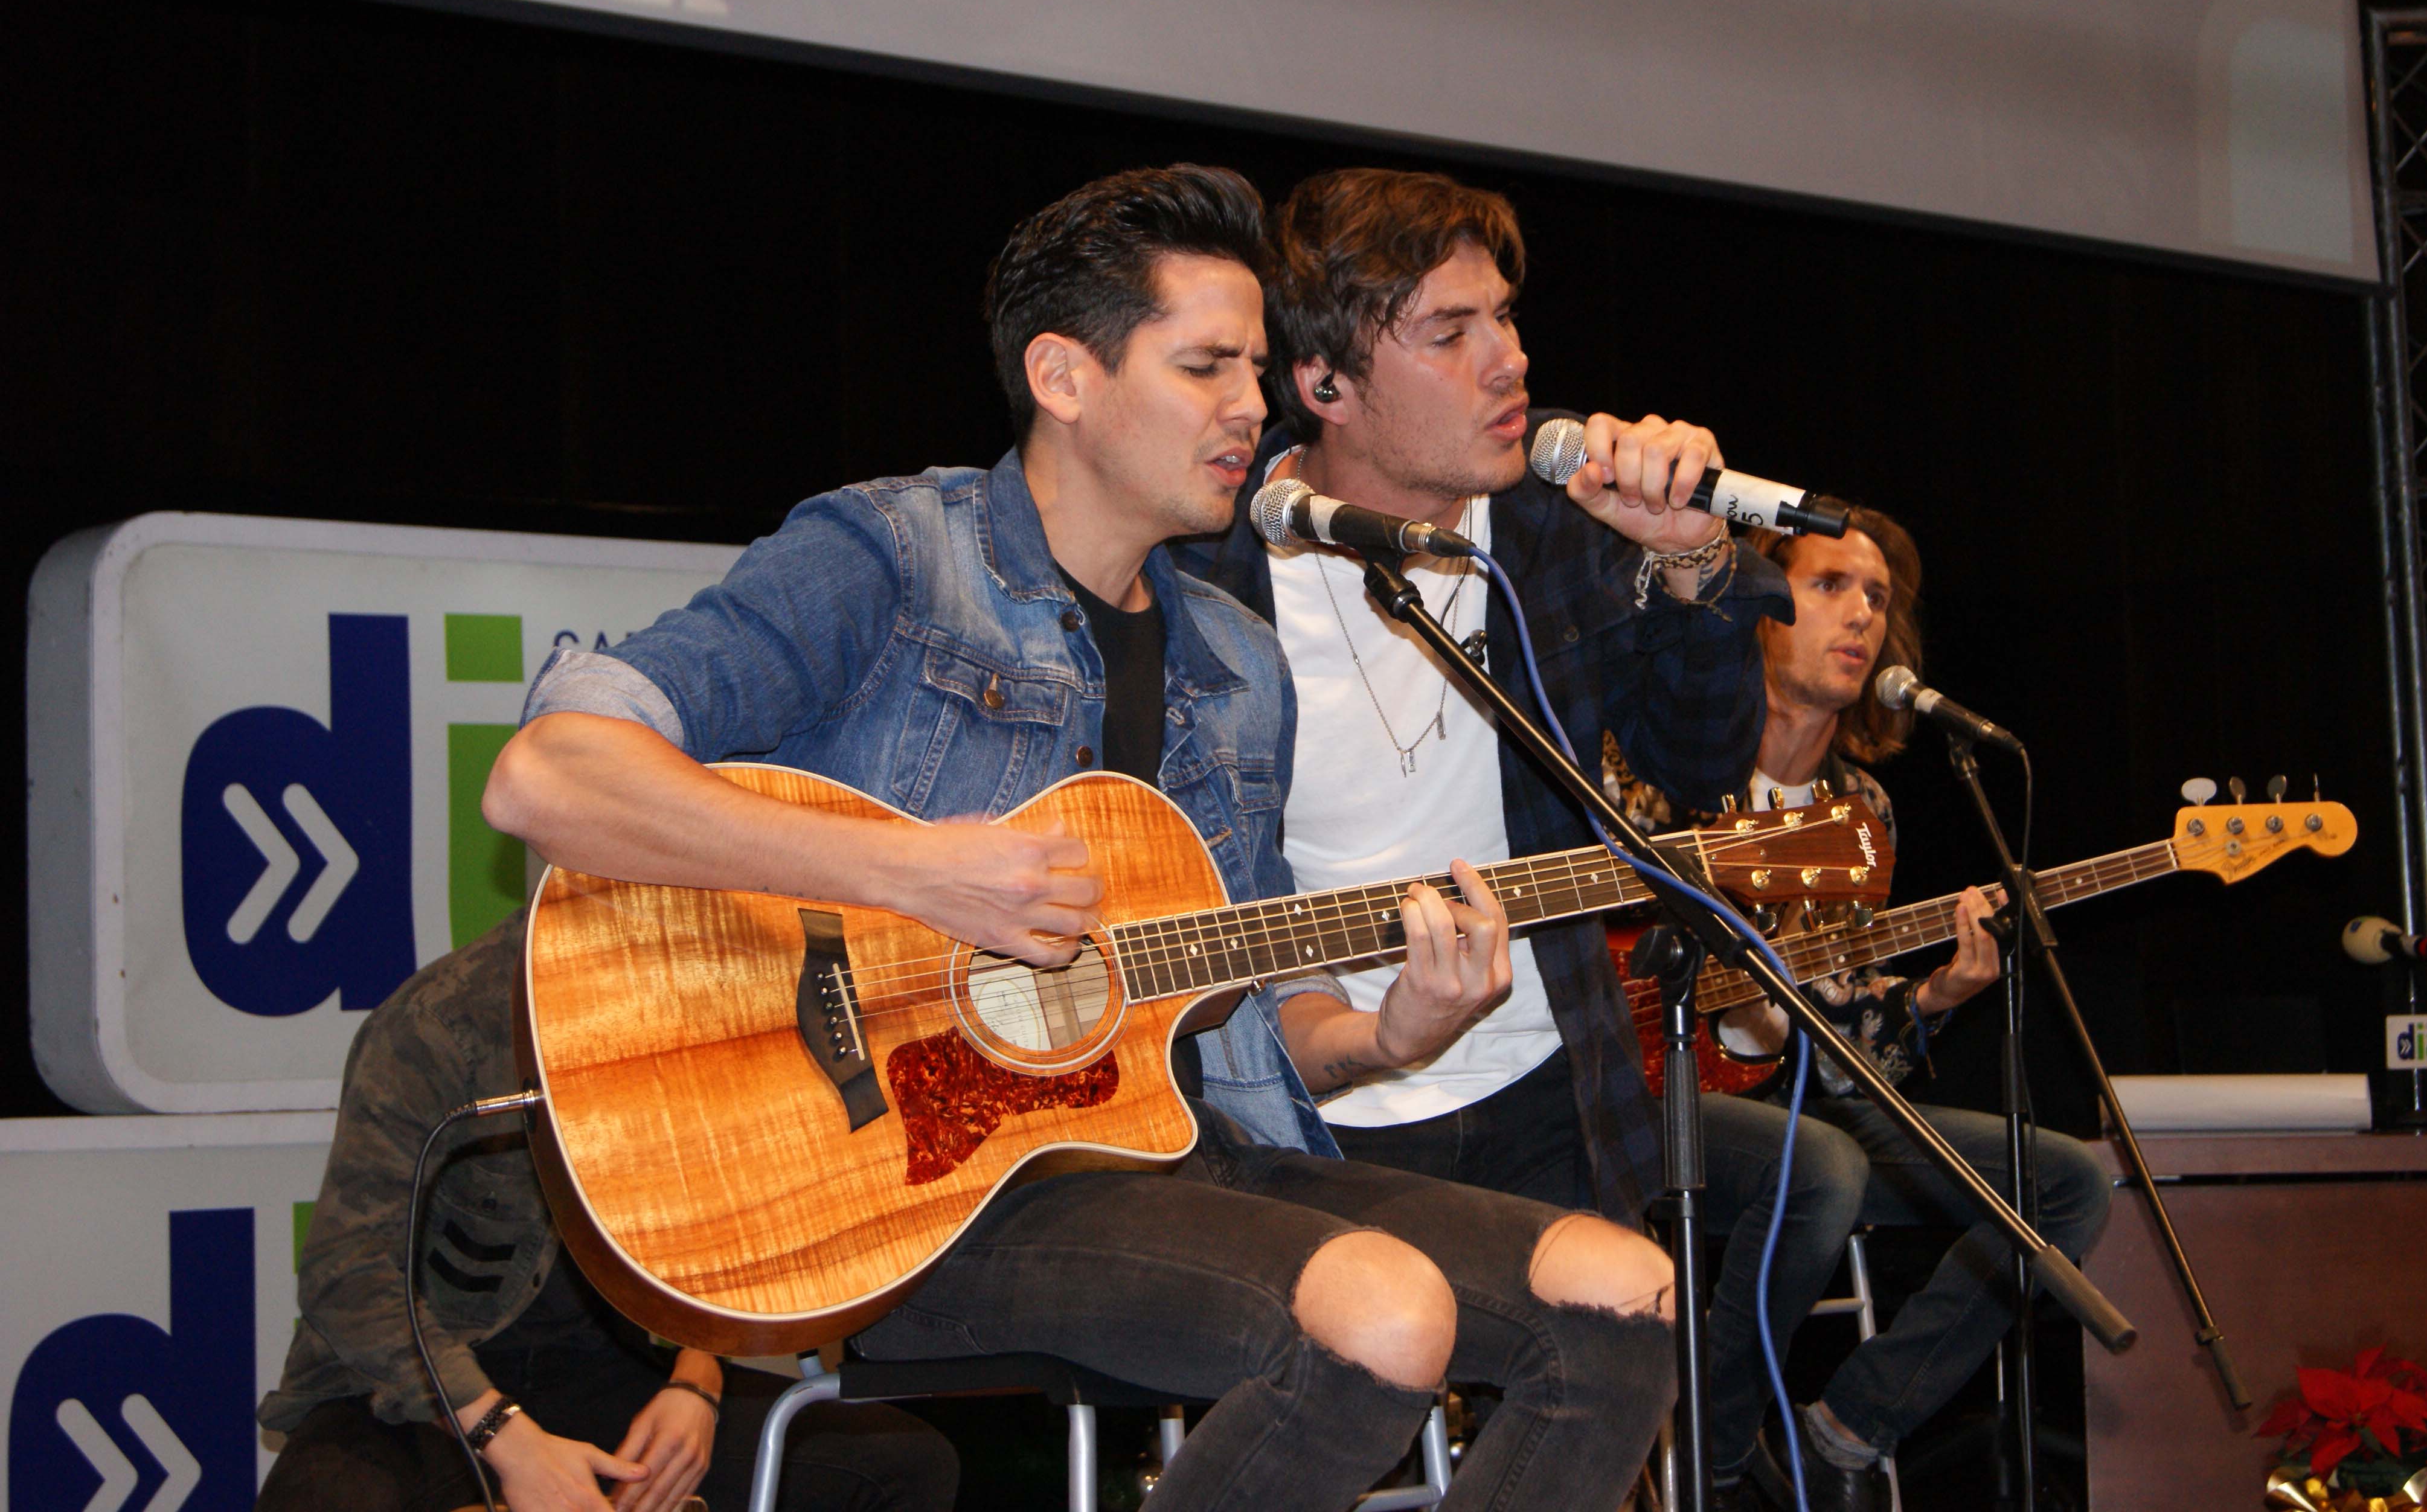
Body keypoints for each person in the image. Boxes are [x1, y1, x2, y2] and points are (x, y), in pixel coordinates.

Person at [481, 165, 1676, 1512]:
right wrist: (916, 872)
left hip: (1182, 1160)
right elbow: (549, 773)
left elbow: (1252, 1012)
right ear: (1063, 376)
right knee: (1381, 1317)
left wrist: (1389, 1036)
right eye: (1205, 367)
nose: (1253, 407)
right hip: (904, 1185)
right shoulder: (894, 556)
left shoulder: (1237, 661)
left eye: (1257, 369)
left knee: (1621, 1298)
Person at [1178, 167, 1798, 1511]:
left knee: (1615, 1359)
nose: (1509, 360)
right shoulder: (1206, 564)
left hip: (1545, 1086)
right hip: (1310, 1113)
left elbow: (1699, 769)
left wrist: (1691, 562)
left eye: (1505, 317)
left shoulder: (1555, 532)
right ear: (1324, 384)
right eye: (1449, 331)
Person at [255, 908, 959, 1512]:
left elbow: (721, 1228)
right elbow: (346, 1274)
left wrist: (697, 1379)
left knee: (903, 1465)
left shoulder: (697, 1002)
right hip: (424, 1386)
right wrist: (505, 1436)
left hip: (600, 1368)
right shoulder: (440, 1022)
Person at [1701, 514, 2114, 1510]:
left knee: (2063, 1183)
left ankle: (1844, 1430)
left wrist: (1935, 996)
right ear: (1758, 606)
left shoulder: (1861, 813)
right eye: (1831, 585)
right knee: (1822, 1167)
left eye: (1878, 599)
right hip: (1661, 1094)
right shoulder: (1671, 767)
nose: (1862, 616)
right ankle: (1712, 1454)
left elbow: (1846, 1047)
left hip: (1799, 1106)